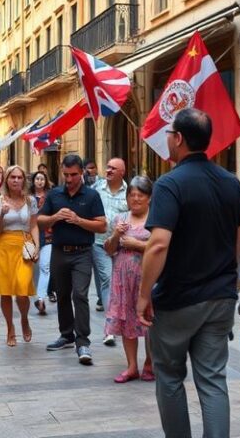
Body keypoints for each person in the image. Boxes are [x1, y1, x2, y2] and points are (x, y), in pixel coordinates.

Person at [137, 108, 240, 438]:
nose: (167, 139)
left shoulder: (170, 184)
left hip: (177, 300)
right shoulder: (231, 183)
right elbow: (239, 238)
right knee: (213, 379)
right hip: (219, 298)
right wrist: (233, 277)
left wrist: (143, 294)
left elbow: (157, 245)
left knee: (169, 377)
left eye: (169, 133)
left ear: (179, 139)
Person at [38, 154, 106, 365]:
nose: (69, 179)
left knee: (80, 294)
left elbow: (102, 225)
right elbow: (40, 221)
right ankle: (66, 334)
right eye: (66, 174)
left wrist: (78, 220)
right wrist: (55, 218)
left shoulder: (92, 196)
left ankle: (83, 341)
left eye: (74, 174)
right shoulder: (54, 194)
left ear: (82, 172)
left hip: (83, 252)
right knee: (62, 294)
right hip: (59, 251)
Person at [104, 176, 154, 384]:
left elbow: (163, 248)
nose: (135, 199)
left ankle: (151, 363)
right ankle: (131, 365)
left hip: (148, 277)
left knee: (150, 320)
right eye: (131, 195)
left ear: (149, 198)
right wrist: (116, 235)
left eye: (140, 195)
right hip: (123, 278)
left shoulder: (156, 220)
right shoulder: (120, 219)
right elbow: (108, 249)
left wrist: (137, 244)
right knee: (126, 321)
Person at [0, 165, 40, 346]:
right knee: (6, 291)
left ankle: (24, 318)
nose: (16, 180)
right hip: (4, 245)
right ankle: (10, 328)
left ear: (24, 180)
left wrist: (37, 246)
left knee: (23, 288)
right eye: (12, 177)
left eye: (19, 177)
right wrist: (1, 214)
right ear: (7, 180)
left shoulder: (30, 200)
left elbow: (33, 225)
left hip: (24, 244)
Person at [92, 157, 129, 346]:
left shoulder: (129, 192)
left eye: (113, 168)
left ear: (122, 172)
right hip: (98, 242)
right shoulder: (96, 188)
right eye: (107, 167)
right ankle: (110, 327)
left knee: (114, 283)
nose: (109, 170)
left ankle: (115, 317)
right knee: (107, 279)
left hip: (121, 244)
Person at [31, 170, 54, 315]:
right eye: (37, 179)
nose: (39, 181)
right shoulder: (27, 198)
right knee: (34, 269)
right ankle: (35, 294)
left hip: (48, 235)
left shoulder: (51, 197)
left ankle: (41, 298)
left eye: (42, 179)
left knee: (45, 267)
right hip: (30, 236)